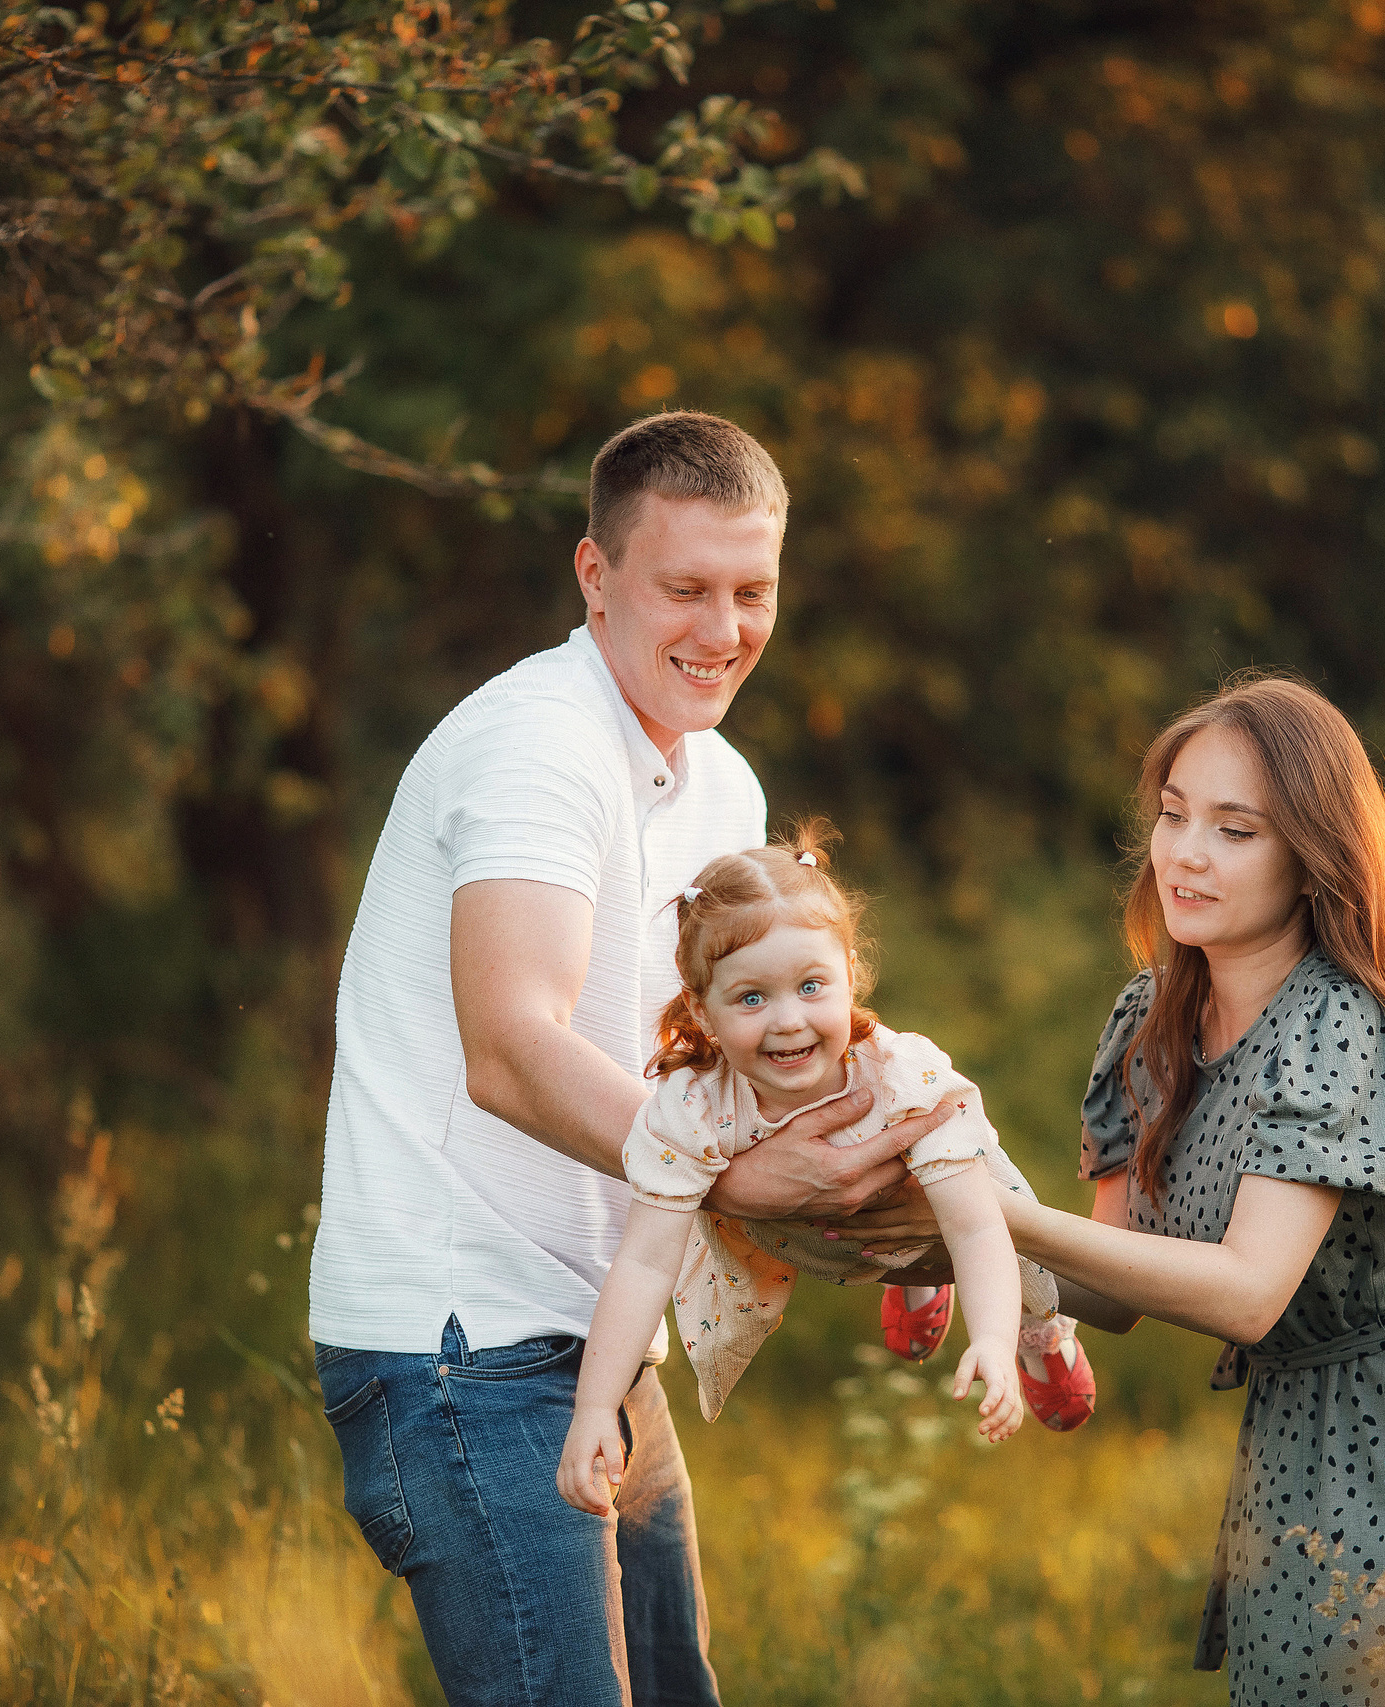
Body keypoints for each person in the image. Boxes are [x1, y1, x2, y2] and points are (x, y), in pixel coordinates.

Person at [306, 411, 953, 1707]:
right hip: (460, 1345)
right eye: (685, 588)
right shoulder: (534, 744)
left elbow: (729, 1073)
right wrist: (740, 1178)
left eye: (752, 590)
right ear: (596, 577)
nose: (724, 629)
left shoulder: (723, 787)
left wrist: (908, 1200)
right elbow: (513, 1044)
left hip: (602, 1335)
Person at [994, 675, 1385, 1706]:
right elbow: (1116, 1281)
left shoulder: (1335, 1021)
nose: (1185, 852)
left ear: (1311, 858)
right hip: (1291, 1466)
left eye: (1234, 831)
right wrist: (929, 1225)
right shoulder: (1152, 1020)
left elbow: (1244, 1292)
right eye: (1173, 817)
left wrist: (1004, 1221)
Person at [558, 829, 1101, 1516]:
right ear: (703, 1010)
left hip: (946, 1212)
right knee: (883, 1246)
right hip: (822, 1241)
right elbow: (642, 1262)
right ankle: (918, 1284)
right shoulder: (692, 1110)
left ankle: (1038, 1335)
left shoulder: (903, 1081)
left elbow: (976, 1226)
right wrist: (595, 1404)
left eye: (812, 986)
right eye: (751, 997)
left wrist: (991, 1340)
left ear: (850, 973)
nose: (788, 1021)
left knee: (1012, 1256)